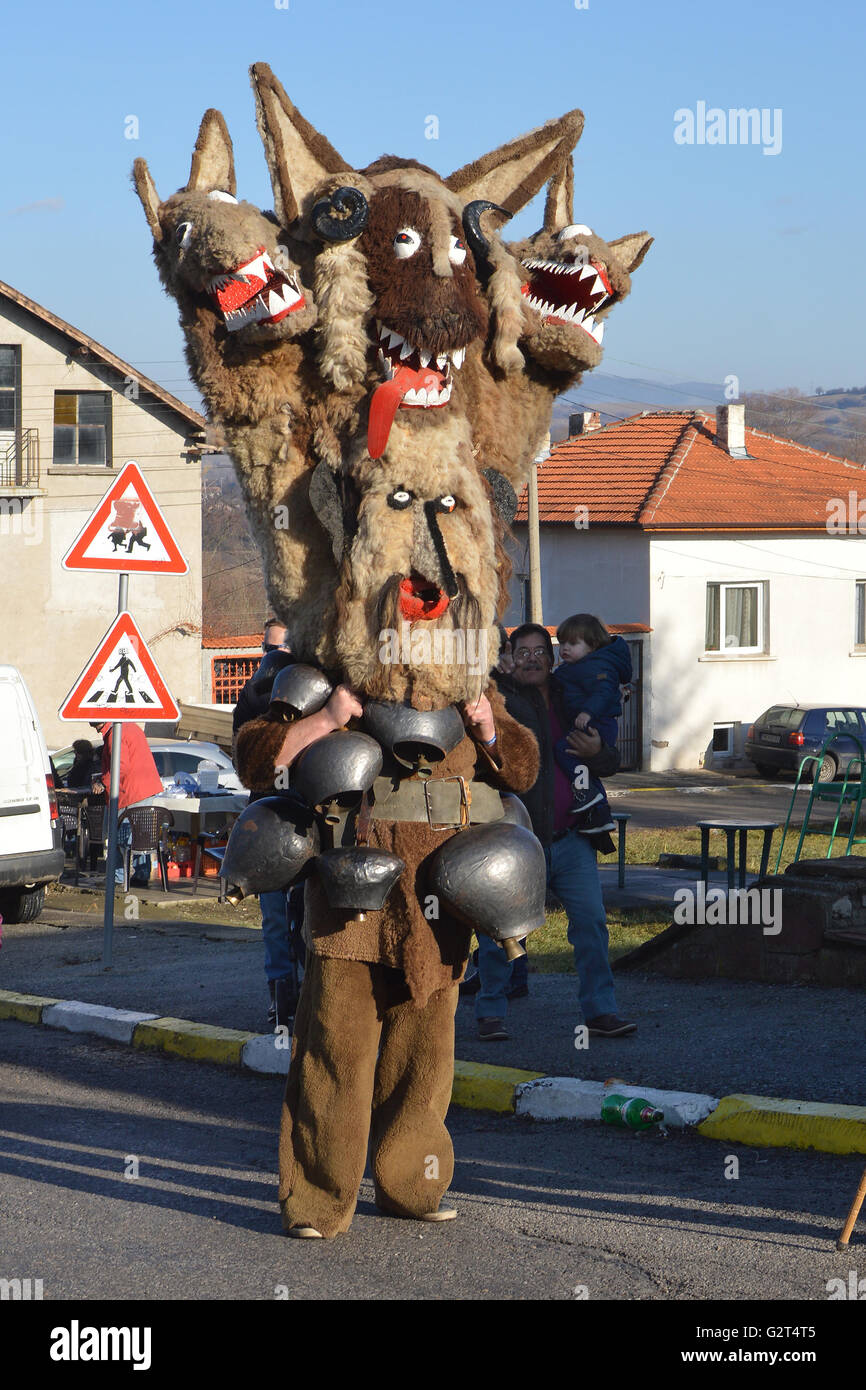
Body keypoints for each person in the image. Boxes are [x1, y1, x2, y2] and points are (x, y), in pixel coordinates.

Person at [473, 622, 636, 1042]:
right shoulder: (501, 697)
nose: (531, 659)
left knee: (592, 925)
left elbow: (609, 760)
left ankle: (601, 1012)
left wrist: (599, 752)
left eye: (539, 651)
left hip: (572, 838)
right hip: (516, 840)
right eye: (521, 651)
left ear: (552, 656)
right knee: (499, 930)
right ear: (511, 657)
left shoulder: (571, 694)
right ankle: (490, 1011)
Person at [231, 620, 304, 1030]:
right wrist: (265, 698)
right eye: (268, 649)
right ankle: (280, 997)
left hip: (309, 819)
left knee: (308, 915)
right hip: (267, 817)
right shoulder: (252, 697)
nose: (275, 657)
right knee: (275, 915)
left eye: (285, 648)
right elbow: (247, 756)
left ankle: (310, 995)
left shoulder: (316, 692)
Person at [551, 613, 633, 836]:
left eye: (573, 643)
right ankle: (598, 810)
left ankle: (587, 794)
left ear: (592, 645)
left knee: (564, 750)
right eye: (562, 643)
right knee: (576, 759)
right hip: (591, 721)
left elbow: (604, 692)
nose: (564, 648)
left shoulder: (596, 666)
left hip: (597, 724)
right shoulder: (578, 667)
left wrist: (588, 712)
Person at [90, 720, 163, 887]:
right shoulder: (130, 726)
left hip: (128, 792)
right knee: (142, 836)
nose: (96, 731)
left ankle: (118, 877)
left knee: (118, 836)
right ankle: (142, 875)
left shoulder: (116, 732)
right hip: (145, 788)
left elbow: (120, 766)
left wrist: (103, 783)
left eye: (96, 727)